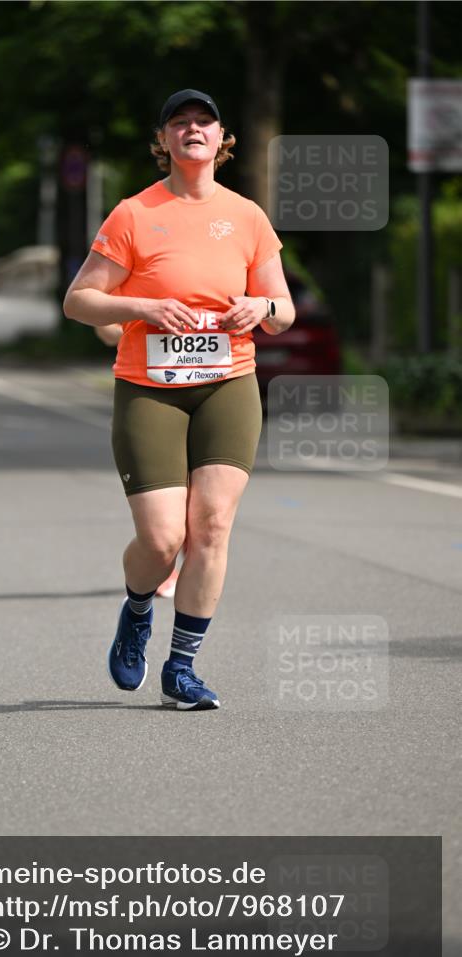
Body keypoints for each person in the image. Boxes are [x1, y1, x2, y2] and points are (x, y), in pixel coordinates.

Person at [65, 89, 294, 710]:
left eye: (204, 122)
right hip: (149, 390)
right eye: (179, 123)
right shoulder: (134, 214)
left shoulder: (247, 216)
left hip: (228, 383)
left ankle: (182, 669)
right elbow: (78, 300)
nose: (192, 130)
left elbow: (283, 309)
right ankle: (138, 608)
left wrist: (261, 306)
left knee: (212, 526)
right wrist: (142, 306)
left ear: (222, 140)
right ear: (163, 141)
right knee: (165, 540)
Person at [96, 320, 183, 599]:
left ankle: (184, 569)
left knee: (198, 501)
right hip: (146, 395)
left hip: (207, 392)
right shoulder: (127, 279)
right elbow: (106, 330)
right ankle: (164, 567)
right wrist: (146, 319)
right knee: (163, 503)